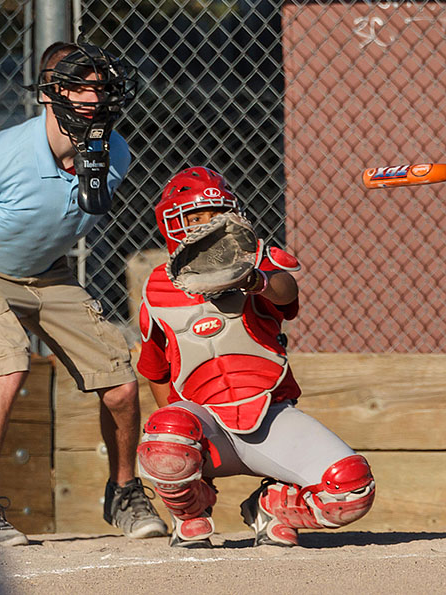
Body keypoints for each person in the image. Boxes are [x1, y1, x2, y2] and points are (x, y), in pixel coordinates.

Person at [0, 39, 168, 545]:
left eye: (99, 87)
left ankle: (122, 493)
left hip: (45, 273)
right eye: (78, 87)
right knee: (10, 363)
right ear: (50, 94)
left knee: (120, 380)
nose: (92, 98)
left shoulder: (115, 151)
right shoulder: (2, 155)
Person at [135, 166, 376, 548]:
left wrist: (251, 279)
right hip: (207, 424)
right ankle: (192, 512)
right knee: (165, 435)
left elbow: (286, 292)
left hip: (270, 416)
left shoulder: (258, 259)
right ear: (172, 223)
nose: (205, 226)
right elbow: (156, 372)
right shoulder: (157, 288)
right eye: (194, 217)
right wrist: (186, 450)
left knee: (350, 490)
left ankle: (270, 507)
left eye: (215, 216)